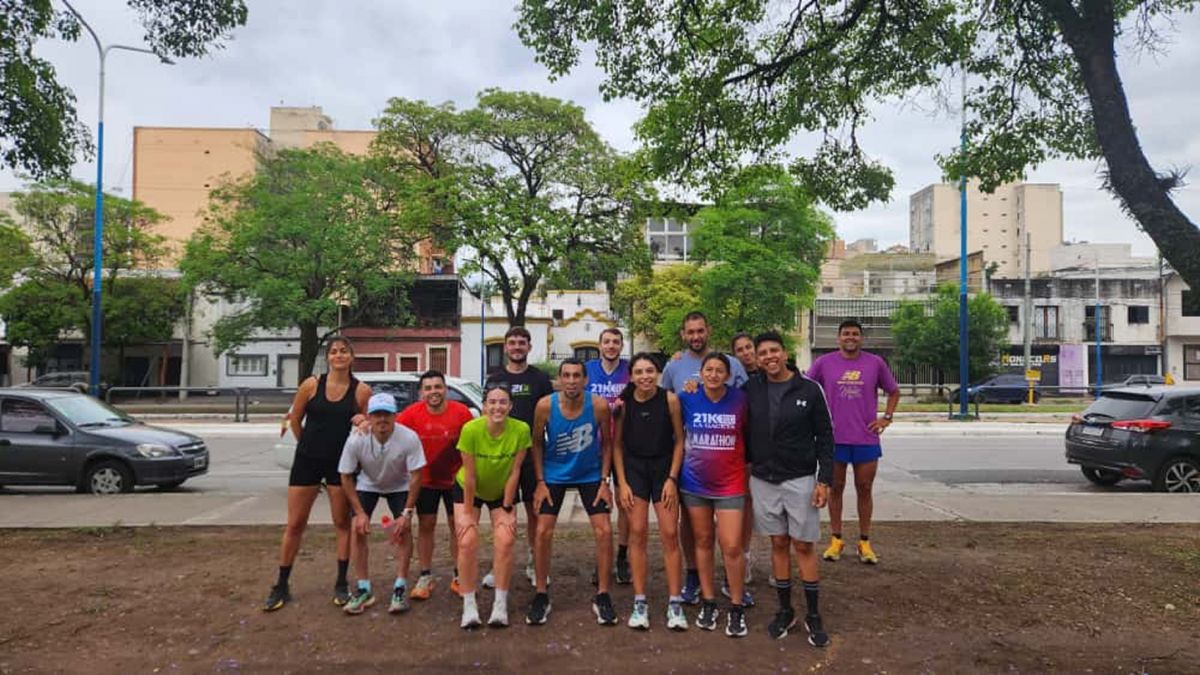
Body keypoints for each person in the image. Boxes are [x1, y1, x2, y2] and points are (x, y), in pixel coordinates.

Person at [263, 336, 372, 612]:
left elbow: (365, 428)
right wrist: (306, 444)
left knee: (341, 524)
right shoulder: (311, 385)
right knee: (295, 524)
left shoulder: (361, 391)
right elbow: (295, 419)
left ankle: (340, 582)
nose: (339, 356)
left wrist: (363, 423)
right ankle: (281, 583)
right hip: (307, 461)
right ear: (328, 357)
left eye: (344, 351)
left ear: (351, 357)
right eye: (334, 351)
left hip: (340, 465)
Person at [744, 332, 833, 646]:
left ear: (784, 353)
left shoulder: (808, 389)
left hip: (800, 478)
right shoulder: (751, 388)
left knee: (804, 545)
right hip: (764, 479)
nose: (769, 357)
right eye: (763, 352)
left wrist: (824, 480)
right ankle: (785, 611)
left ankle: (813, 614)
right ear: (756, 357)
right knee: (778, 543)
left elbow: (825, 437)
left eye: (774, 351)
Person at [660, 312, 751, 607]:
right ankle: (693, 574)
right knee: (693, 527)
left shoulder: (733, 364)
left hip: (730, 466)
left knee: (732, 533)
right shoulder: (674, 366)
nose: (696, 336)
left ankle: (732, 578)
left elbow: (746, 401)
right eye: (691, 332)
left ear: (708, 331)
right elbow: (664, 404)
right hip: (691, 464)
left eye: (701, 330)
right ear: (683, 334)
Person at [528, 359, 617, 626]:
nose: (571, 380)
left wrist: (605, 481)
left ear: (585, 380)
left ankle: (603, 593)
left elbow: (609, 444)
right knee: (543, 531)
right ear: (559, 379)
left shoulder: (599, 405)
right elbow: (535, 444)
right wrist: (540, 482)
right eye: (566, 375)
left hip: (590, 474)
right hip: (554, 474)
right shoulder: (545, 406)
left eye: (577, 375)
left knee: (604, 530)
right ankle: (541, 592)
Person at [805, 319, 900, 565]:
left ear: (861, 338)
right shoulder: (824, 363)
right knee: (835, 489)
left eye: (855, 334)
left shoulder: (875, 363)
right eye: (846, 333)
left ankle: (864, 541)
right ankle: (836, 539)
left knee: (864, 488)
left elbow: (894, 390)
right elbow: (806, 386)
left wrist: (886, 418)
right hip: (834, 439)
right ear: (838, 338)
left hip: (866, 437)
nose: (850, 337)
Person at [613, 353, 687, 631]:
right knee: (638, 533)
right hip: (634, 471)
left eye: (650, 370)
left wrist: (671, 478)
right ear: (631, 376)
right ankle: (640, 601)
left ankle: (675, 602)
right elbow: (617, 446)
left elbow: (680, 441)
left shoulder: (669, 400)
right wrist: (622, 483)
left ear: (657, 372)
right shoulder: (625, 404)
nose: (645, 376)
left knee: (670, 533)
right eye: (639, 371)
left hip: (663, 470)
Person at [677, 353, 749, 637]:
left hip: (731, 483)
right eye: (709, 369)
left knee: (731, 546)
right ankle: (708, 601)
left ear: (728, 375)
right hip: (694, 482)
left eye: (720, 370)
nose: (714, 374)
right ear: (701, 373)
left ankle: (736, 604)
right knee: (703, 541)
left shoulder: (741, 400)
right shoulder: (686, 398)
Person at [339, 393, 427, 615]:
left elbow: (417, 475)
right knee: (357, 529)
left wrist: (407, 513)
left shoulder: (409, 437)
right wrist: (359, 513)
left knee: (404, 531)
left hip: (400, 485)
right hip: (368, 484)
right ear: (369, 417)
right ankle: (363, 588)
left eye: (387, 414)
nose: (382, 420)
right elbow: (346, 476)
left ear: (395, 416)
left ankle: (400, 587)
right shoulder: (356, 439)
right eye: (377, 415)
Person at [454, 382, 529, 629]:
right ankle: (469, 604)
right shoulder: (471, 430)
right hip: (470, 488)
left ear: (510, 406)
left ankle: (500, 603)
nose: (498, 407)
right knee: (466, 541)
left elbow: (515, 471)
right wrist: (466, 514)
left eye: (503, 402)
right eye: (492, 402)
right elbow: (471, 475)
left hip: (501, 489)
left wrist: (507, 508)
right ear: (484, 406)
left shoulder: (520, 430)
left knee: (506, 539)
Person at [484, 326, 554, 588]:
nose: (516, 347)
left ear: (529, 347)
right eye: (512, 343)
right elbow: (487, 415)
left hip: (533, 457)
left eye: (521, 343)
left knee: (535, 513)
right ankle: (500, 565)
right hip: (502, 458)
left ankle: (536, 564)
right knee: (504, 514)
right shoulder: (494, 378)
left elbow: (549, 415)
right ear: (505, 347)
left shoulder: (540, 379)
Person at [397, 370, 475, 601]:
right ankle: (425, 575)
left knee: (457, 526)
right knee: (426, 525)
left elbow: (474, 440)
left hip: (455, 479)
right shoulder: (410, 415)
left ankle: (459, 575)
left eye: (438, 387)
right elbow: (391, 431)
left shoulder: (461, 413)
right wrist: (363, 422)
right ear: (422, 392)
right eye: (429, 388)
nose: (434, 392)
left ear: (446, 389)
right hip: (426, 480)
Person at [585, 327, 632, 585]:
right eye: (607, 342)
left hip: (626, 446)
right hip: (595, 446)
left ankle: (622, 556)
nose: (611, 346)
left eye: (616, 342)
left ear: (622, 345)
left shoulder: (630, 369)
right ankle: (601, 558)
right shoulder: (589, 370)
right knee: (599, 505)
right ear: (599, 345)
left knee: (626, 503)